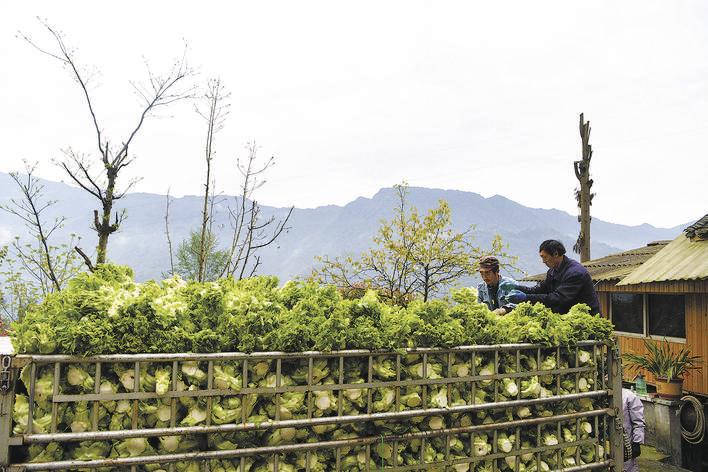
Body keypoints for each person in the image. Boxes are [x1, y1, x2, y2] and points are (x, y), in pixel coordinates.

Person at [507, 239, 601, 315]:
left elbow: (558, 298)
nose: (543, 261)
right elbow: (539, 290)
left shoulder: (575, 273)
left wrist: (526, 298)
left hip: (586, 318)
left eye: (545, 257)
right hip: (567, 316)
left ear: (556, 254)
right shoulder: (552, 272)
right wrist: (517, 288)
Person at [622, 387, 645, 472]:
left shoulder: (628, 396)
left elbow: (638, 421)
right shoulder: (601, 396)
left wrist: (637, 442)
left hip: (627, 445)